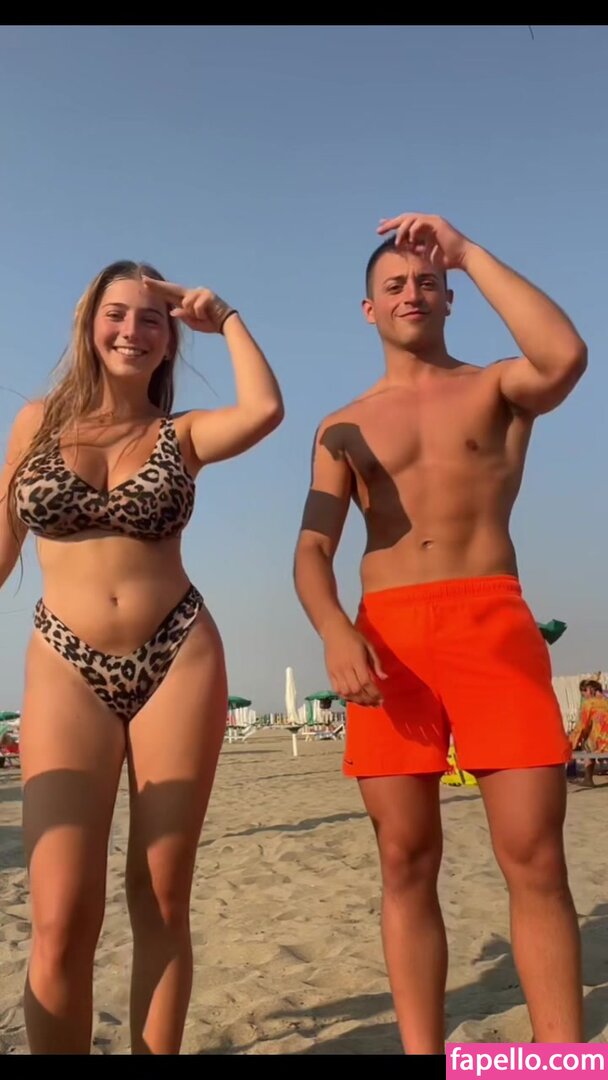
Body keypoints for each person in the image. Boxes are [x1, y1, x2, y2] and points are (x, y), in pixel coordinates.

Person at [293, 213, 587, 1053]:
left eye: (428, 281)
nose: (411, 294)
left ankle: (557, 1061)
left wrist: (467, 251)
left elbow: (565, 356)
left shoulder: (497, 388)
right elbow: (312, 550)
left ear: (451, 296)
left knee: (534, 857)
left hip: (491, 624)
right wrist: (334, 630)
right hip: (388, 642)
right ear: (368, 309)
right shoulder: (341, 426)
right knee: (406, 858)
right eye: (394, 285)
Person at [0, 260, 284, 1054]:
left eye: (150, 318)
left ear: (169, 339)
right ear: (89, 325)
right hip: (65, 661)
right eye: (116, 313)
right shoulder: (35, 424)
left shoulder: (180, 435)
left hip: (176, 655)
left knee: (160, 899)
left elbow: (265, 410)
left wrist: (223, 316)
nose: (132, 330)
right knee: (59, 917)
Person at [570, 678, 608, 786]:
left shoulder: (589, 703)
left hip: (602, 744)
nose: (584, 697)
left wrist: (571, 743)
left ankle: (588, 779)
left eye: (584, 694)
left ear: (589, 690)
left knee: (586, 744)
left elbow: (581, 726)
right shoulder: (606, 700)